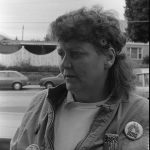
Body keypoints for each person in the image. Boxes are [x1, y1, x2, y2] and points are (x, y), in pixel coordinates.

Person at [10, 6, 149, 150]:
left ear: (109, 57)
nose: (64, 64)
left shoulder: (140, 113)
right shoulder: (40, 104)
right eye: (61, 54)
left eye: (76, 54)